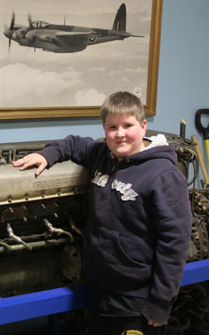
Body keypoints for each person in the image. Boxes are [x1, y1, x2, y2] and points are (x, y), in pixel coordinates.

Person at [12, 91, 192, 335]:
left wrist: (161, 303)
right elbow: (74, 143)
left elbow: (174, 243)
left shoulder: (163, 175)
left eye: (128, 125)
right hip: (100, 286)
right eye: (112, 127)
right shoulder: (102, 156)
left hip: (136, 297)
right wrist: (47, 154)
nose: (120, 134)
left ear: (143, 126)